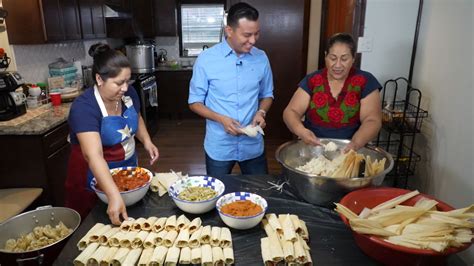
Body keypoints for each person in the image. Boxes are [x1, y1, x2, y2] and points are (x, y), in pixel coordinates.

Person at [65, 43, 159, 225]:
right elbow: (93, 155)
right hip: (92, 176)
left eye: (127, 80)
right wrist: (113, 195)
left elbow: (136, 116)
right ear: (99, 79)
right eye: (118, 83)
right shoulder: (84, 107)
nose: (125, 87)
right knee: (95, 226)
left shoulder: (128, 93)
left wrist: (147, 141)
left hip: (126, 167)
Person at [188, 2, 274, 176]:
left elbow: (267, 95)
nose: (253, 40)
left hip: (252, 146)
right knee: (217, 193)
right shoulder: (206, 59)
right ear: (229, 31)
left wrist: (261, 112)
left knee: (261, 192)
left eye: (257, 34)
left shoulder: (261, 57)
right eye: (247, 35)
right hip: (219, 146)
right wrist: (221, 119)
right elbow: (194, 102)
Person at [283, 33, 382, 152]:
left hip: (352, 150)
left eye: (344, 59)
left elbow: (372, 120)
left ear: (353, 58)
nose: (338, 65)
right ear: (326, 56)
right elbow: (291, 112)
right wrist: (302, 131)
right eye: (333, 58)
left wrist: (355, 143)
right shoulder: (312, 80)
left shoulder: (366, 81)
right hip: (313, 149)